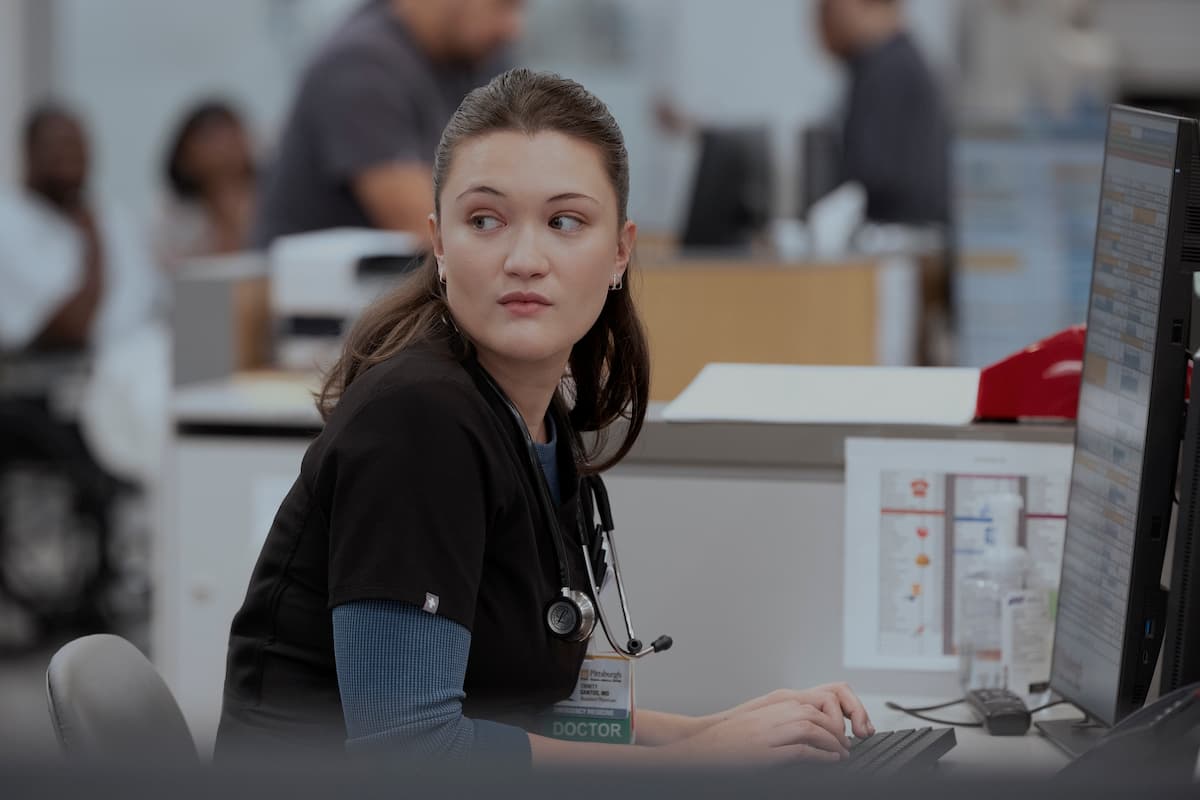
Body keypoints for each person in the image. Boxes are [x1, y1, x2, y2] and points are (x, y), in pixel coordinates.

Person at [216, 68, 874, 765]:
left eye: (565, 222)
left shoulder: (535, 423)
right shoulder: (417, 422)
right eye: (485, 221)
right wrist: (697, 762)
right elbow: (408, 751)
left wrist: (718, 729)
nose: (525, 259)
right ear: (439, 243)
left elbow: (520, 709)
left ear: (620, 251)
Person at [251, 0, 524, 248]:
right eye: (504, 5)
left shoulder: (474, 58)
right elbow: (427, 229)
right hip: (307, 295)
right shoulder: (361, 65)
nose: (513, 28)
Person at [0, 103, 160, 352]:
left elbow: (148, 309)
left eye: (78, 145)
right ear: (30, 151)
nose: (70, 156)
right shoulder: (8, 222)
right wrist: (93, 243)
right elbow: (68, 331)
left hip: (137, 368)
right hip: (50, 380)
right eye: (58, 144)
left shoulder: (116, 219)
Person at [817, 0, 951, 225]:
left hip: (894, 238)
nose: (821, 18)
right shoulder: (894, 60)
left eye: (828, 6)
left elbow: (866, 182)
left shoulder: (887, 69)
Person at [155, 100, 257, 270]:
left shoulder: (273, 200)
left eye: (229, 133)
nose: (224, 145)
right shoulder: (174, 215)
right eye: (211, 136)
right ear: (185, 155)